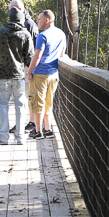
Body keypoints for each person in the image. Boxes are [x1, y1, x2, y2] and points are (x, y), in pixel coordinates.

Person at [0, 7, 34, 145]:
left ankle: (3, 138)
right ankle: (20, 138)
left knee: (3, 106)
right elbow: (29, 55)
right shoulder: (26, 34)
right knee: (20, 107)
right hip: (19, 76)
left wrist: (2, 56)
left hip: (2, 75)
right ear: (21, 19)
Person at [27, 9, 67, 140]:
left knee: (37, 102)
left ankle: (38, 131)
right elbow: (61, 55)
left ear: (47, 20)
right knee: (48, 102)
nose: (37, 21)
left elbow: (37, 56)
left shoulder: (42, 36)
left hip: (40, 74)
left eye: (39, 19)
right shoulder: (61, 34)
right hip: (54, 74)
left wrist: (30, 72)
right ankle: (48, 129)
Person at [8, 0, 39, 132]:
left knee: (25, 95)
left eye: (11, 10)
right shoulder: (20, 23)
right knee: (21, 96)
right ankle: (25, 123)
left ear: (17, 9)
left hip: (27, 66)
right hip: (19, 66)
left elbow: (34, 49)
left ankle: (30, 122)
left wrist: (30, 69)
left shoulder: (29, 24)